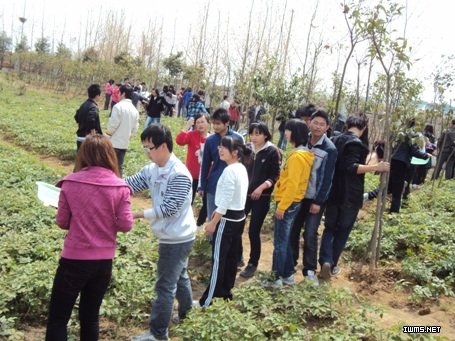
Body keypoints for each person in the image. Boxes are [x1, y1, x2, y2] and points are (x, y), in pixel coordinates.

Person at [45, 134, 133, 341]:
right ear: (110, 155)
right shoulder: (120, 187)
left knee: (58, 319)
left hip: (74, 260)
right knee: (90, 317)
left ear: (83, 155)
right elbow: (126, 224)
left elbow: (62, 221)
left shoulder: (70, 182)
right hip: (103, 262)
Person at [127, 125, 196, 341]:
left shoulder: (180, 174)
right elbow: (130, 184)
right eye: (145, 148)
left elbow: (169, 208)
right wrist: (106, 185)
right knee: (180, 276)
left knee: (165, 285)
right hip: (172, 234)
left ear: (163, 146)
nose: (147, 152)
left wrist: (138, 214)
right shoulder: (153, 168)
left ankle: (157, 334)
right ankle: (188, 315)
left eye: (150, 148)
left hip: (177, 237)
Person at [318, 113, 390, 281]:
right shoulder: (357, 145)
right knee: (342, 230)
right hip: (350, 195)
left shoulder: (335, 140)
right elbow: (351, 167)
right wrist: (376, 167)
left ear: (347, 125)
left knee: (329, 228)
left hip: (333, 191)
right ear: (364, 128)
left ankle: (325, 261)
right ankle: (332, 264)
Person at [197, 136, 249, 307]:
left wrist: (213, 222)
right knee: (231, 258)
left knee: (219, 260)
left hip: (226, 220)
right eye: (220, 147)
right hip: (238, 218)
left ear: (235, 152)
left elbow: (226, 200)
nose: (220, 150)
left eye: (224, 147)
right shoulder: (241, 168)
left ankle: (207, 301)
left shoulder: (230, 170)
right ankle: (225, 293)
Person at [290, 110, 337, 284]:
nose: (317, 126)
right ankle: (291, 263)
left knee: (310, 233)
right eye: (315, 122)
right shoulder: (302, 141)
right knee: (293, 230)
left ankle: (309, 270)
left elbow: (327, 179)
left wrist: (318, 201)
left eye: (321, 124)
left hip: (315, 199)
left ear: (327, 128)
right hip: (298, 196)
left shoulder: (329, 149)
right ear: (309, 123)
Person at [265, 119, 314, 287]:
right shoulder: (302, 154)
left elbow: (292, 184)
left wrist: (282, 207)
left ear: (295, 133)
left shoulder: (297, 157)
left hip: (287, 202)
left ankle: (276, 278)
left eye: (288, 130)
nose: (285, 133)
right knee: (283, 240)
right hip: (292, 202)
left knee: (280, 242)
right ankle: (287, 275)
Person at [239, 122, 281, 278]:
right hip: (245, 195)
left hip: (261, 197)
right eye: (252, 133)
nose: (254, 137)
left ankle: (253, 263)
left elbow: (275, 175)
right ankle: (238, 257)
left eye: (258, 134)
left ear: (265, 135)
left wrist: (261, 187)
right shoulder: (247, 149)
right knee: (237, 225)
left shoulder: (272, 151)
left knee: (253, 230)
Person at [198, 108, 244, 222]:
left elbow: (242, 163)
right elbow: (205, 164)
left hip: (232, 185)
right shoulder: (210, 140)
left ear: (227, 123)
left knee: (227, 220)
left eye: (218, 124)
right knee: (212, 218)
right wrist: (202, 185)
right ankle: (211, 240)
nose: (215, 126)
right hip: (214, 184)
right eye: (213, 123)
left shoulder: (238, 139)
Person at [176, 113, 210, 227]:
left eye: (202, 122)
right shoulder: (192, 135)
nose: (200, 125)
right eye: (197, 122)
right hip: (191, 175)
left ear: (208, 123)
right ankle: (183, 223)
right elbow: (179, 141)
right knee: (187, 200)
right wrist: (187, 126)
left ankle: (199, 224)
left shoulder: (212, 139)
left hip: (206, 177)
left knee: (207, 203)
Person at [388, 119, 430, 213]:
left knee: (390, 184)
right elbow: (414, 150)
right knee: (397, 189)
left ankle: (369, 195)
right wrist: (425, 156)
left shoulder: (398, 131)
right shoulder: (412, 134)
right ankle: (394, 212)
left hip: (393, 160)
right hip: (402, 163)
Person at [106, 85, 140, 177]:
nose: (117, 94)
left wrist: (106, 137)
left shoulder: (118, 107)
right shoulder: (135, 110)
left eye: (119, 93)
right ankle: (119, 187)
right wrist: (128, 137)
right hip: (124, 143)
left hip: (113, 143)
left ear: (123, 94)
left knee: (109, 167)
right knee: (119, 167)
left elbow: (112, 126)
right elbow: (135, 129)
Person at [74, 84, 103, 151]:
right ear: (97, 96)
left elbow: (76, 117)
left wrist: (82, 124)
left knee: (80, 159)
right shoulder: (93, 107)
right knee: (89, 160)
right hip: (88, 139)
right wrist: (93, 131)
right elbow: (91, 119)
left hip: (80, 137)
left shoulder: (83, 105)